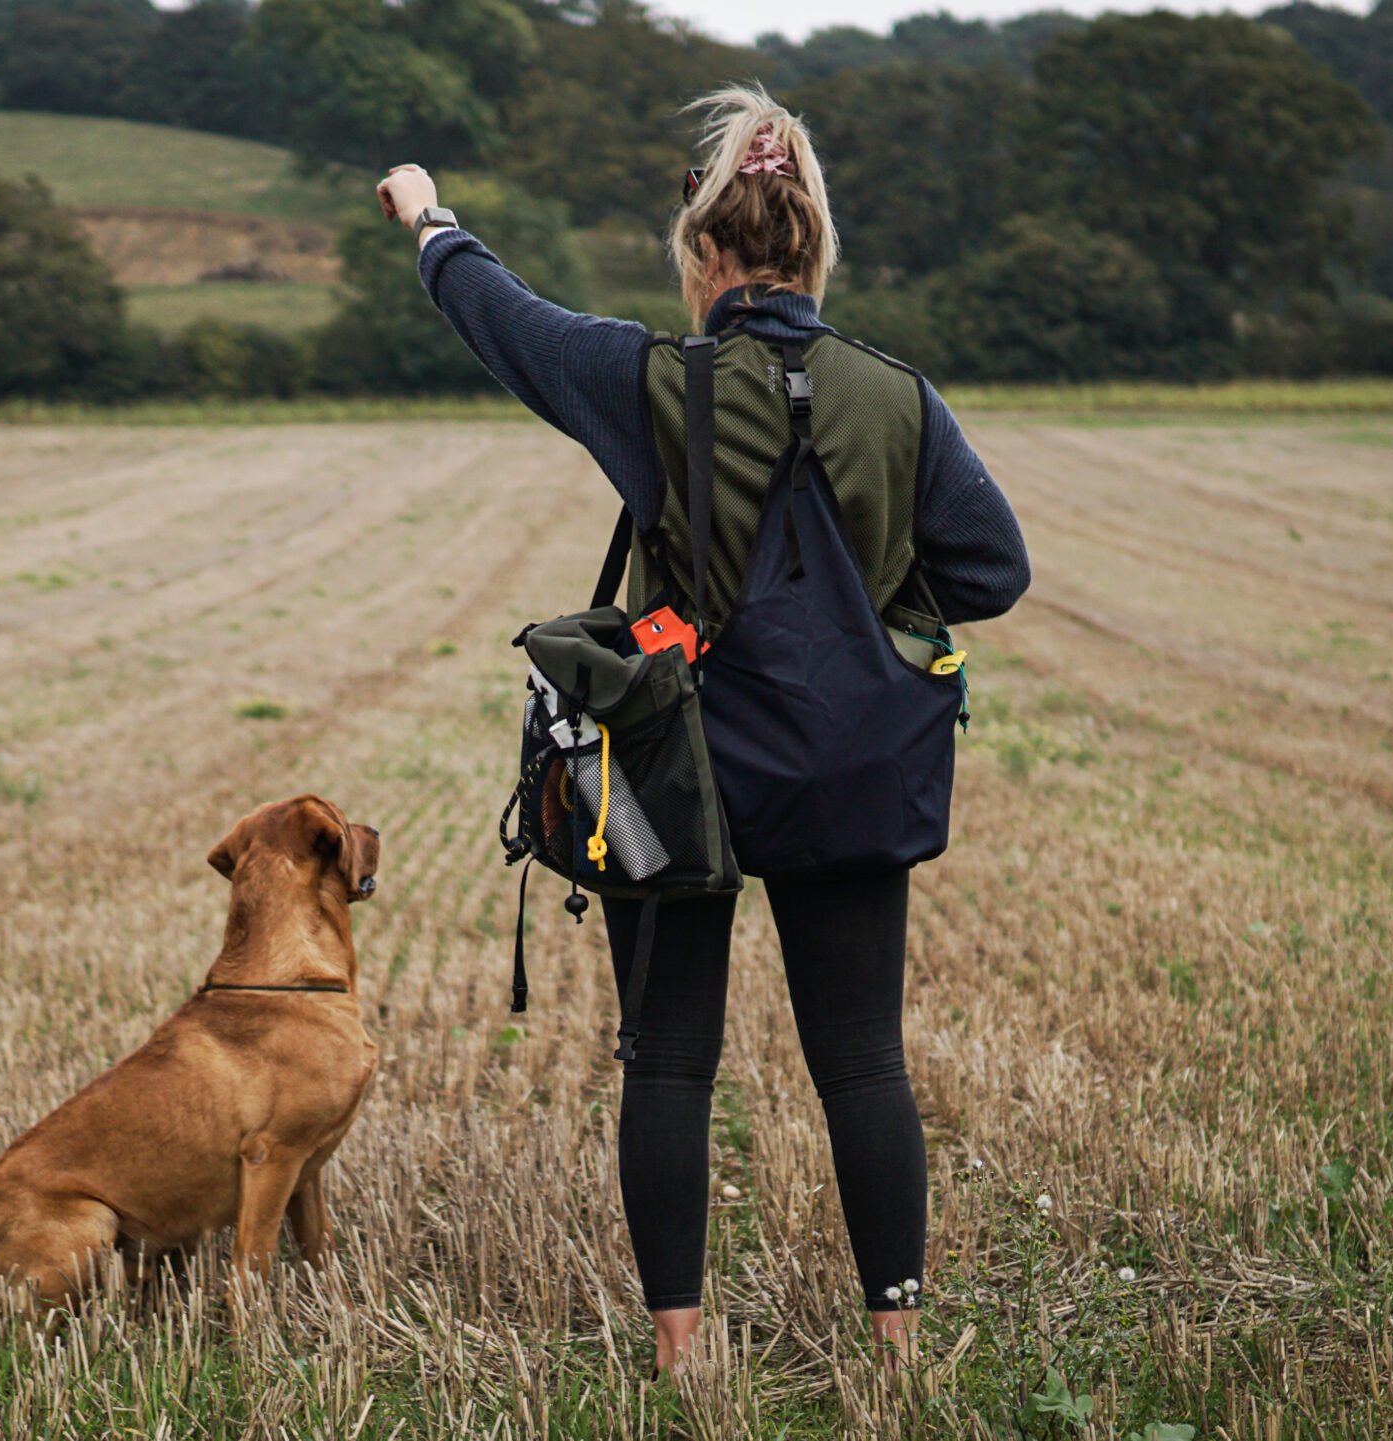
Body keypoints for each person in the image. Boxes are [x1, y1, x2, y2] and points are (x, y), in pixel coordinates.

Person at [374, 85, 1029, 1374]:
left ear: (706, 256)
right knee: (861, 1060)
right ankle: (895, 1343)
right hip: (853, 768)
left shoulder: (648, 381)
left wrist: (429, 218)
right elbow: (994, 570)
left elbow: (506, 322)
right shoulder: (899, 397)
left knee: (668, 1059)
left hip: (682, 773)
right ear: (814, 252)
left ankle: (682, 1347)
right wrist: (861, 613)